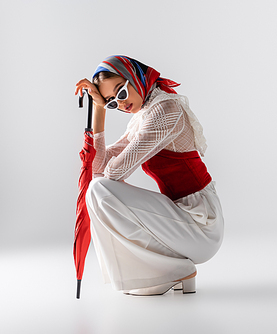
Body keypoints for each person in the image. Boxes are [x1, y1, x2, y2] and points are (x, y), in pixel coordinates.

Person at [74, 55, 224, 296]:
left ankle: (171, 271)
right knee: (97, 188)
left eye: (121, 93)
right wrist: (100, 111)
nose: (121, 104)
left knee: (99, 190)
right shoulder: (143, 116)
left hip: (201, 223)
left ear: (135, 76)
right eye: (112, 102)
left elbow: (113, 173)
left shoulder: (166, 109)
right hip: (180, 218)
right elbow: (98, 169)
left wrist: (102, 107)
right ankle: (173, 270)